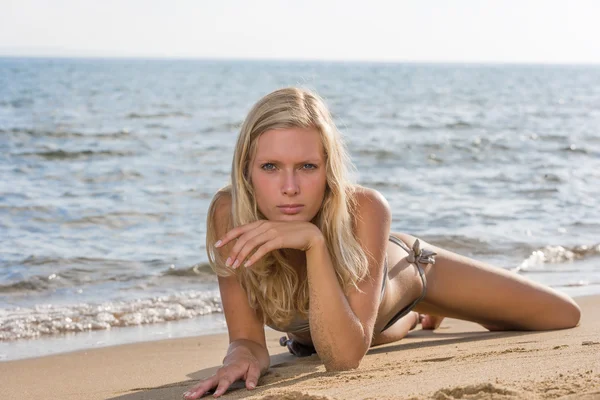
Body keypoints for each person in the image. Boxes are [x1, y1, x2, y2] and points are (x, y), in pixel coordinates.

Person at [183, 87, 581, 399]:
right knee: (375, 329)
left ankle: (425, 304)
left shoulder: (364, 209)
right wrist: (239, 359)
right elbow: (249, 342)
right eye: (270, 167)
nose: (289, 188)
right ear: (246, 170)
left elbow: (343, 359)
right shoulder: (229, 213)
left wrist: (314, 243)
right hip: (365, 325)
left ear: (328, 169)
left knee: (558, 314)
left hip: (408, 272)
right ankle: (412, 317)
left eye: (307, 166)